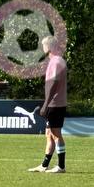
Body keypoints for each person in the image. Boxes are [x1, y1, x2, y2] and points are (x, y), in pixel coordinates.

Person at [27, 35, 68, 174]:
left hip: (55, 104)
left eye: (43, 45)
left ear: (49, 47)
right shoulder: (55, 61)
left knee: (56, 134)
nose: (42, 48)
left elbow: (54, 82)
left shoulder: (56, 61)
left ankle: (61, 166)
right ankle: (44, 165)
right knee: (49, 134)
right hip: (54, 103)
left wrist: (46, 104)